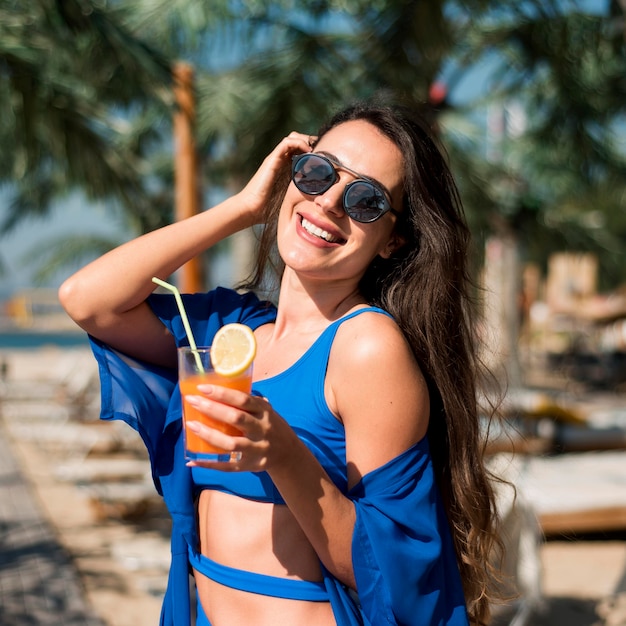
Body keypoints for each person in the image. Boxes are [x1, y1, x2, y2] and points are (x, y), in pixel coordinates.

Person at [59, 99, 500, 626]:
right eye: (317, 173)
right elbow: (87, 299)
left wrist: (284, 454)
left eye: (366, 200)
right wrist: (245, 207)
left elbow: (390, 566)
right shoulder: (231, 331)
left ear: (392, 240)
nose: (330, 203)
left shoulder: (365, 347)